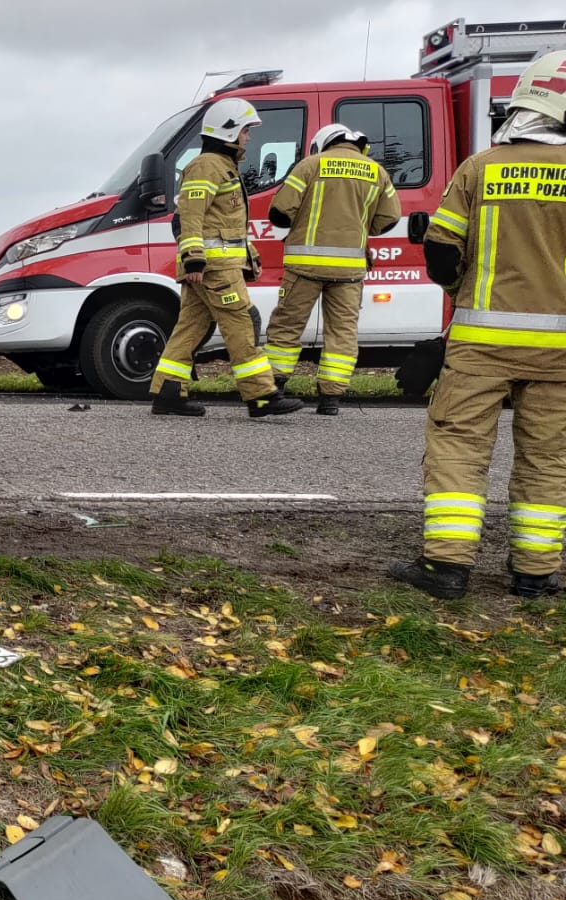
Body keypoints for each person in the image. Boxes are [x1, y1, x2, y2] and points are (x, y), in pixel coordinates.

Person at [389, 50, 566, 599]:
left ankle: (447, 567)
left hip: (481, 347)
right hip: (561, 353)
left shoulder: (481, 168)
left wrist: (460, 296)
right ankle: (535, 573)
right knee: (547, 457)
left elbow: (442, 252)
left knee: (459, 446)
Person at [151, 97, 304, 418]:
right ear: (229, 131)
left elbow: (223, 223)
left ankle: (168, 393)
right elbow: (191, 215)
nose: (249, 137)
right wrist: (193, 257)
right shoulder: (207, 166)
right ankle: (261, 396)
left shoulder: (221, 166)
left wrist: (249, 256)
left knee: (190, 328)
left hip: (214, 266)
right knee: (242, 322)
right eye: (246, 130)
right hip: (213, 268)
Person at [264, 123, 403, 414]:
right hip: (349, 271)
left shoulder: (310, 165)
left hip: (305, 266)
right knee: (342, 332)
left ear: (322, 143)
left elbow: (280, 212)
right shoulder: (376, 171)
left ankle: (274, 387)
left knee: (287, 326)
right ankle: (331, 399)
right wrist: (359, 228)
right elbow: (389, 218)